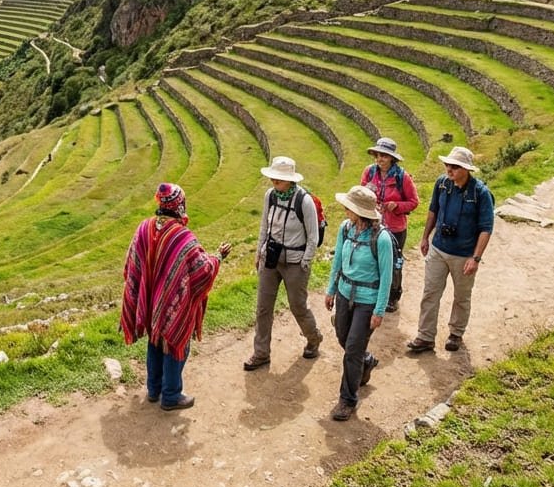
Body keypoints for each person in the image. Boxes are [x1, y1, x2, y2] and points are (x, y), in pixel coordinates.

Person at [121, 182, 231, 410]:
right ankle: (171, 395)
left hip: (151, 301)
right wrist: (218, 257)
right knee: (174, 340)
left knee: (155, 339)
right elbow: (203, 272)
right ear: (180, 206)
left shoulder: (144, 227)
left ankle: (154, 389)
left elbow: (132, 265)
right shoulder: (183, 237)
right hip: (173, 304)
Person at [407, 146, 494, 354]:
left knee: (462, 296)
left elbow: (486, 228)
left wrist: (476, 258)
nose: (449, 169)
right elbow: (432, 211)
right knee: (430, 292)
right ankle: (425, 336)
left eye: (455, 166)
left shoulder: (480, 193)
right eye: (448, 165)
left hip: (463, 255)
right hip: (438, 248)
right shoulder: (442, 184)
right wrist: (425, 237)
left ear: (466, 169)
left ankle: (456, 333)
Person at [243, 156, 323, 371]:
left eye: (279, 179)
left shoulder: (304, 201)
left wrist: (305, 261)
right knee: (263, 307)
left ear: (290, 180)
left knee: (298, 306)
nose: (274, 183)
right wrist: (259, 251)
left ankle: (314, 338)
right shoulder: (270, 196)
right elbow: (264, 226)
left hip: (296, 262)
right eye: (273, 178)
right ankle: (261, 353)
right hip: (271, 258)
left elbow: (313, 236)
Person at [325, 185, 393, 421]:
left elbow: (386, 277)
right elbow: (338, 262)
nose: (345, 210)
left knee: (352, 348)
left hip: (367, 301)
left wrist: (379, 310)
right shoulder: (346, 229)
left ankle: (348, 400)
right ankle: (365, 361)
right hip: (345, 294)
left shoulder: (381, 239)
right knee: (343, 338)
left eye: (349, 207)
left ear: (360, 212)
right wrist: (331, 290)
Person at [361, 136, 419, 312]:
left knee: (394, 263)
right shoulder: (369, 173)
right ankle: (374, 293)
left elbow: (414, 202)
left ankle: (393, 296)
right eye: (378, 155)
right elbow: (361, 194)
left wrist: (397, 206)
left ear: (392, 158)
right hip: (373, 225)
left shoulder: (403, 178)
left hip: (395, 228)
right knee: (372, 260)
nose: (380, 159)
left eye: (384, 156)